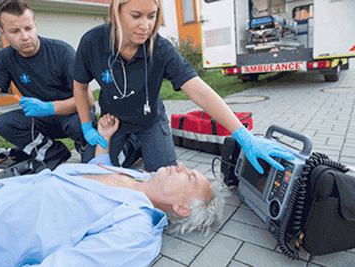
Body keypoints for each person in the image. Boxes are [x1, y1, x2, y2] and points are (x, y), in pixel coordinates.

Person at [0, 113, 225, 267]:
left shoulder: (135, 232)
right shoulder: (139, 178)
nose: (180, 165)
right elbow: (97, 169)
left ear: (182, 207)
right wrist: (105, 138)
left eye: (188, 176)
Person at [73, 0, 295, 173]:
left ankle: (144, 145)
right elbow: (80, 86)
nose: (146, 25)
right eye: (136, 16)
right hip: (114, 122)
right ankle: (130, 147)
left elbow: (200, 91)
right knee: (92, 173)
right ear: (116, 11)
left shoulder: (161, 49)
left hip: (150, 121)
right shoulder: (92, 43)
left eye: (152, 16)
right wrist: (86, 127)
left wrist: (243, 135)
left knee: (164, 175)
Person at [0, 0, 96, 170]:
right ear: (3, 32)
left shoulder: (61, 52)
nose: (25, 36)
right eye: (15, 31)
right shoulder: (5, 58)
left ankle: (85, 147)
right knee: (4, 123)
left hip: (72, 114)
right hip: (40, 119)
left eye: (28, 28)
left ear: (35, 25)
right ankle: (54, 154)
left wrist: (49, 107)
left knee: (80, 129)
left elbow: (88, 100)